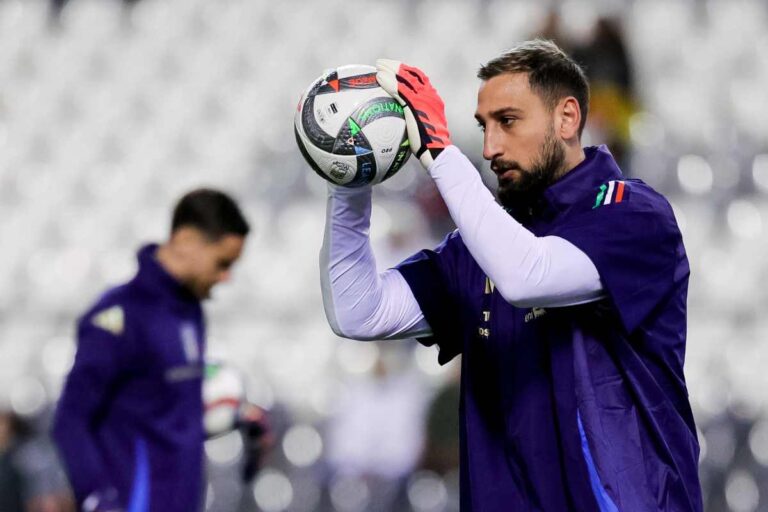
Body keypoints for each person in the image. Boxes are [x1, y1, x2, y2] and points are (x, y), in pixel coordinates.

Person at [319, 40, 702, 511]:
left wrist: (439, 149)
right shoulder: (483, 245)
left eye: (508, 121)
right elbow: (360, 311)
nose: (489, 147)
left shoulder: (633, 214)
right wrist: (349, 181)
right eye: (483, 126)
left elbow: (527, 276)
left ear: (567, 118)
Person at [52, 189, 251, 512]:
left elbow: (167, 412)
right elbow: (70, 420)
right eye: (222, 263)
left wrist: (239, 414)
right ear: (186, 239)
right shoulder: (118, 316)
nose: (227, 277)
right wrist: (96, 498)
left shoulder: (190, 312)